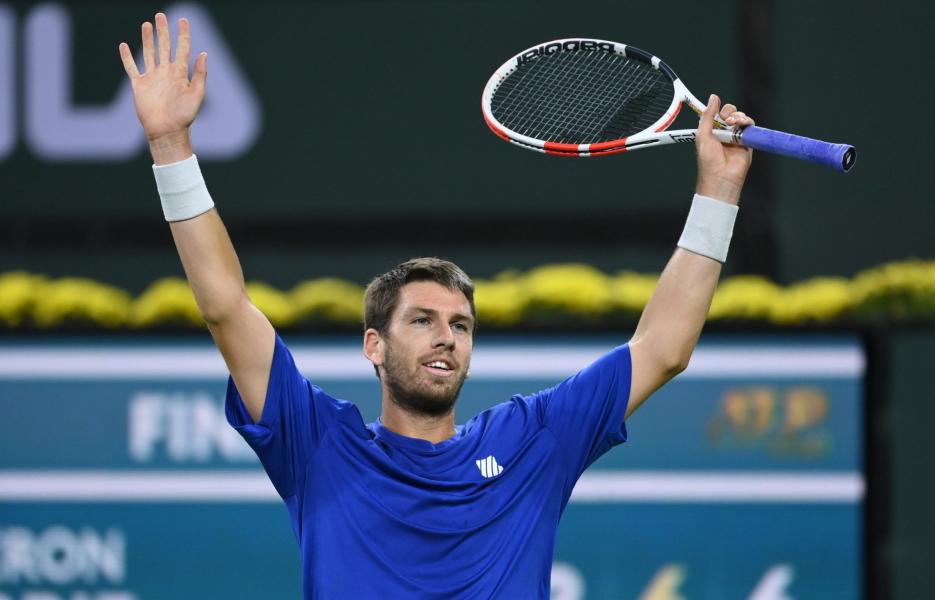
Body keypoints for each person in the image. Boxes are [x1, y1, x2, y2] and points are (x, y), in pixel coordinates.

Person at [119, 13, 754, 599]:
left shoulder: (534, 439)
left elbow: (664, 348)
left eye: (460, 325)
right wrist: (171, 144)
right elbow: (227, 308)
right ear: (375, 345)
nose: (446, 337)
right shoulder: (318, 445)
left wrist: (719, 190)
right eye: (422, 321)